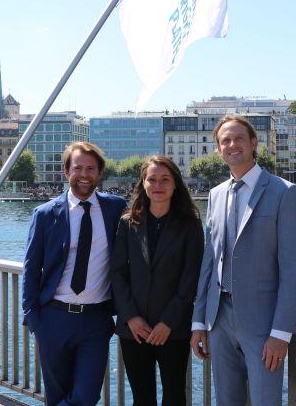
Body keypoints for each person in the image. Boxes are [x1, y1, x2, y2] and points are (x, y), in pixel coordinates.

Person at [190, 115, 296, 406]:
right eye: (225, 141)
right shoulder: (215, 195)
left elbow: (291, 269)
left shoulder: (284, 192)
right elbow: (209, 262)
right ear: (218, 149)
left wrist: (281, 333)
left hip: (263, 323)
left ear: (254, 143)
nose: (232, 145)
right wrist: (198, 322)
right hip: (219, 320)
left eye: (238, 138)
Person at [21, 142, 127, 405]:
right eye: (78, 167)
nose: (84, 174)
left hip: (96, 320)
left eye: (91, 168)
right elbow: (31, 268)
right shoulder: (45, 214)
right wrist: (35, 320)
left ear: (100, 173)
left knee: (85, 396)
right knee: (56, 394)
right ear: (66, 171)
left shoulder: (116, 209)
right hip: (54, 319)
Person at [110, 155, 204, 406]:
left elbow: (191, 277)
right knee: (142, 397)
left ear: (175, 184)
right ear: (143, 183)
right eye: (152, 179)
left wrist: (168, 322)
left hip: (173, 329)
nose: (158, 185)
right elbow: (117, 273)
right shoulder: (127, 223)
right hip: (134, 329)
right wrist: (131, 317)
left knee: (174, 395)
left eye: (165, 179)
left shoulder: (190, 224)